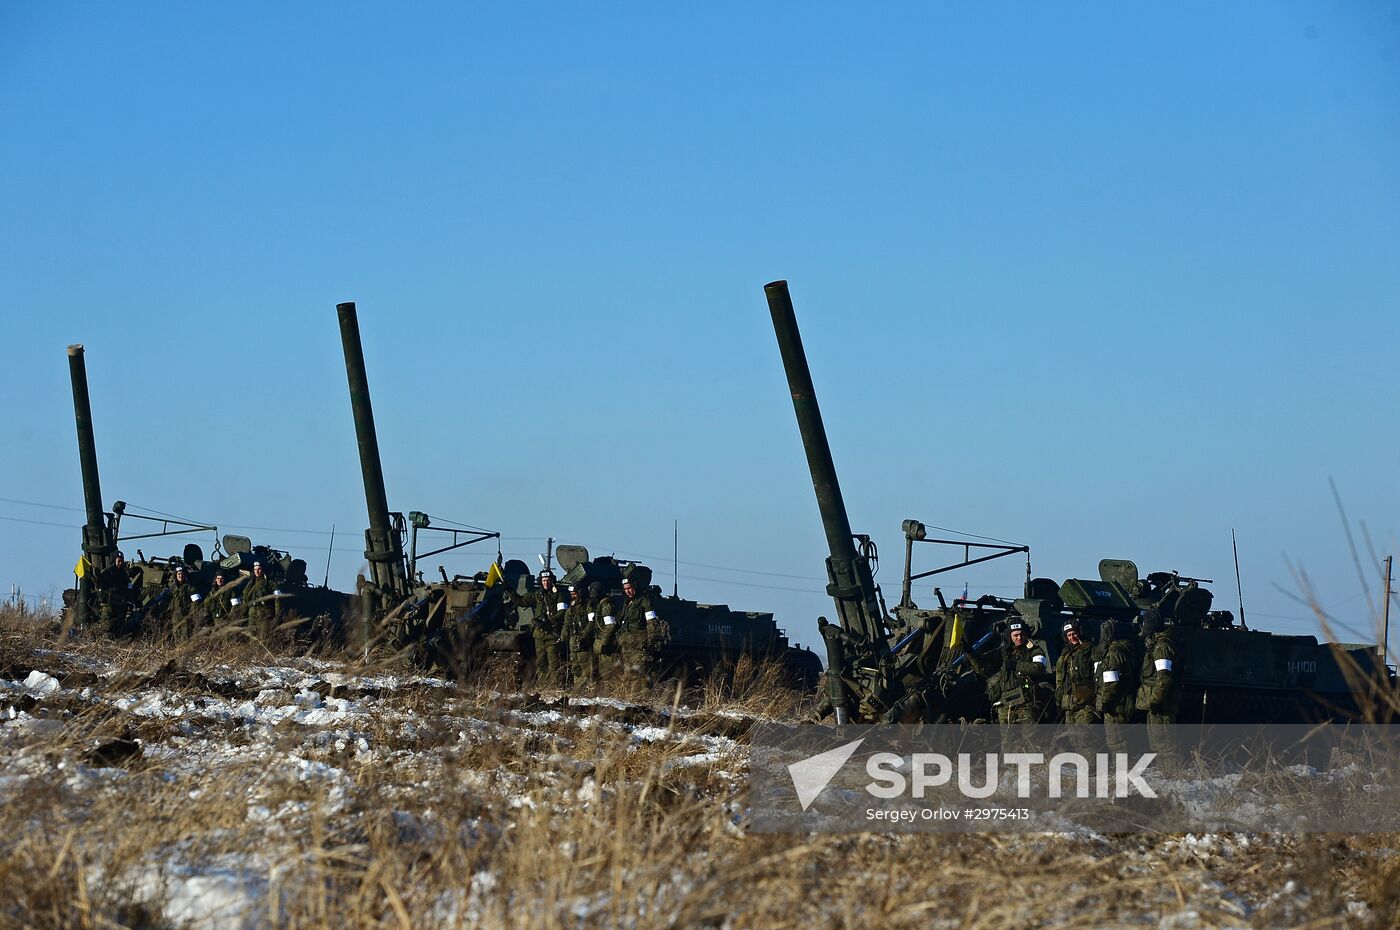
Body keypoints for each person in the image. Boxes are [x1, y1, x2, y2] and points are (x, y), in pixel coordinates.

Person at [971, 617, 1053, 724]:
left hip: (1026, 704)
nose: (1019, 638)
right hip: (1007, 705)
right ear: (1010, 636)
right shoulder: (1003, 653)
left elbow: (1039, 667)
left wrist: (1017, 666)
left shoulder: (1034, 650)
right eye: (1015, 635)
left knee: (1030, 738)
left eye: (1021, 634)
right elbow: (983, 663)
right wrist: (970, 653)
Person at [1136, 610, 1181, 768]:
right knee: (1157, 742)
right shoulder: (1155, 644)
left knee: (1164, 743)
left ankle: (1171, 775)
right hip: (1156, 702)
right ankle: (1166, 773)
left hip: (1162, 704)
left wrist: (1156, 699)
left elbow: (1164, 677)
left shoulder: (1161, 646)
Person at [1095, 619, 1137, 756]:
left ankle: (1123, 772)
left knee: (1116, 742)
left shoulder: (1113, 653)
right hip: (1124, 701)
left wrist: (1106, 701)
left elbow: (1111, 681)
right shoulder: (1125, 649)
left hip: (1115, 704)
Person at [618, 575, 667, 686]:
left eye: (629, 588)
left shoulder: (644, 601)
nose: (628, 591)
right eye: (625, 589)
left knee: (639, 675)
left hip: (639, 645)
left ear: (634, 586)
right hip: (627, 645)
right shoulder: (627, 604)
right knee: (628, 675)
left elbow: (651, 622)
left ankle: (641, 698)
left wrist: (651, 641)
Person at [1054, 619, 1098, 724]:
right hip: (1069, 705)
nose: (1072, 637)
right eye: (1069, 635)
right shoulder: (1066, 654)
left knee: (1087, 738)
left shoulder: (1090, 650)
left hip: (1085, 705)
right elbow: (1060, 678)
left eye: (1074, 634)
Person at [531, 569, 569, 686]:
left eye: (548, 580)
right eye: (543, 580)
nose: (546, 583)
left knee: (553, 663)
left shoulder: (559, 595)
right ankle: (543, 686)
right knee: (540, 662)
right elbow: (521, 600)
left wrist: (548, 621)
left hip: (552, 633)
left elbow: (562, 612)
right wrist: (508, 589)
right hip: (539, 634)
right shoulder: (538, 595)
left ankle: (554, 686)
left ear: (552, 581)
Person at [95, 551, 137, 638]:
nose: (120, 563)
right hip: (108, 605)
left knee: (119, 629)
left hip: (120, 606)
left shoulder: (124, 575)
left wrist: (130, 601)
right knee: (107, 628)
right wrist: (97, 578)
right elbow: (99, 586)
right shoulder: (107, 573)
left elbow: (129, 589)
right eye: (119, 561)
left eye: (122, 561)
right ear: (114, 560)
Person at [565, 585, 597, 685]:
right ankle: (578, 689)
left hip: (583, 642)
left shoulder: (588, 605)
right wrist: (564, 633)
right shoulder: (572, 606)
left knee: (586, 667)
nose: (573, 596)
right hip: (573, 641)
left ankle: (588, 689)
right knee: (575, 667)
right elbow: (567, 621)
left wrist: (584, 636)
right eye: (571, 595)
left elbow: (591, 622)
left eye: (575, 594)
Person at [591, 581, 621, 679]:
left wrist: (605, 643)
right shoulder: (598, 604)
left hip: (605, 645)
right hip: (599, 644)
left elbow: (611, 625)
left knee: (607, 674)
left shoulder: (606, 605)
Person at [243, 561, 278, 642]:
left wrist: (277, 613)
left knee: (264, 638)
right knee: (252, 638)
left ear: (263, 570)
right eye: (255, 569)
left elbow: (278, 598)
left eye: (259, 569)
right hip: (252, 613)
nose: (257, 571)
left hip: (265, 613)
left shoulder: (270, 582)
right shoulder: (251, 583)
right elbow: (245, 597)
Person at [166, 564, 200, 642]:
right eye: (178, 574)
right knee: (176, 635)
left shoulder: (190, 587)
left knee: (185, 637)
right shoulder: (172, 588)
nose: (180, 576)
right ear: (176, 575)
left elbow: (196, 602)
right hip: (175, 616)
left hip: (186, 616)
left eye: (182, 574)